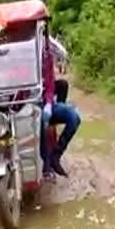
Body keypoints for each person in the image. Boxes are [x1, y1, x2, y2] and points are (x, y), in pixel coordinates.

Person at [40, 26, 81, 178]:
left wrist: (50, 104)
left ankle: (55, 155)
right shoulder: (15, 56)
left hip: (45, 101)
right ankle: (45, 164)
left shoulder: (45, 54)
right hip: (27, 106)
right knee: (38, 125)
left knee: (74, 117)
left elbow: (50, 85)